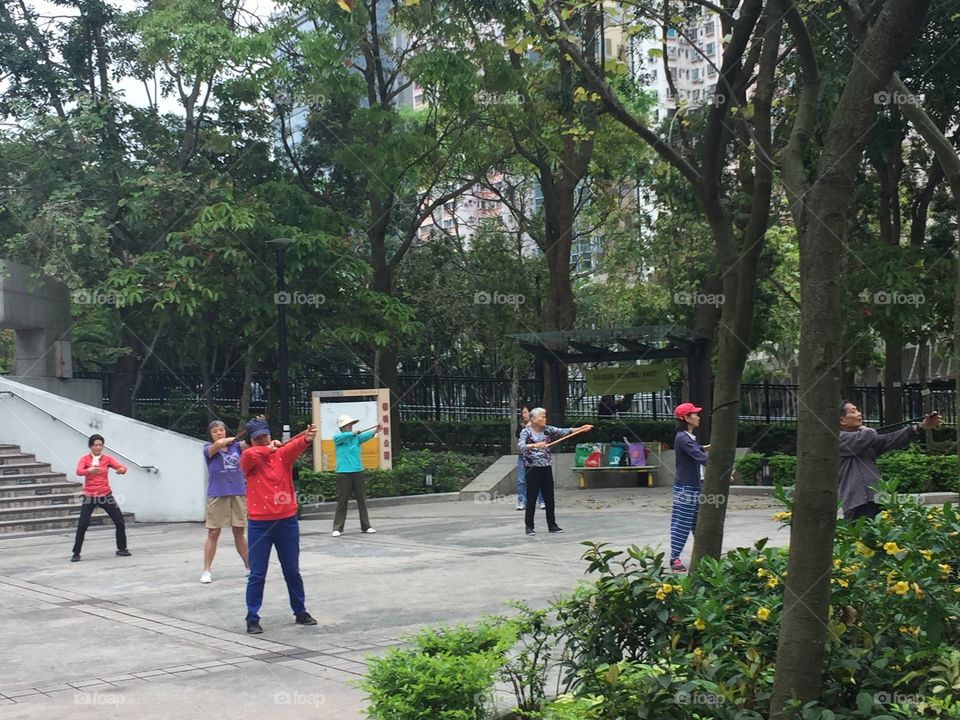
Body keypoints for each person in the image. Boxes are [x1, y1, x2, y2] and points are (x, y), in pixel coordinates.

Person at [240, 418, 318, 634]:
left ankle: (300, 611)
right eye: (257, 438)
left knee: (292, 570)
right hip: (259, 524)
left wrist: (307, 438)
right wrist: (267, 448)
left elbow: (297, 445)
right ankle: (252, 617)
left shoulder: (282, 454)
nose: (263, 439)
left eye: (265, 435)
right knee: (257, 573)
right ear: (251, 441)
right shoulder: (250, 458)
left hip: (286, 522)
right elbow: (249, 455)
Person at [839, 401, 942, 520]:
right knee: (860, 536)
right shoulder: (838, 438)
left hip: (876, 497)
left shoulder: (865, 438)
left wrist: (921, 426)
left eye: (858, 410)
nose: (860, 414)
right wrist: (866, 429)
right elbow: (865, 437)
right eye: (853, 411)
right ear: (842, 420)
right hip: (856, 500)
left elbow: (890, 439)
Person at [517, 408, 593, 535]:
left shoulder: (547, 429)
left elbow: (565, 431)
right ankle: (529, 526)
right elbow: (521, 446)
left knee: (549, 497)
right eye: (543, 417)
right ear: (534, 419)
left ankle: (552, 525)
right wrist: (535, 445)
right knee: (532, 496)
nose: (545, 419)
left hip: (546, 466)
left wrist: (581, 428)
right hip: (531, 468)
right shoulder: (526, 432)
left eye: (545, 416)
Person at [200, 421, 250, 584]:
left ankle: (249, 567)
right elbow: (219, 444)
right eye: (215, 431)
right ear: (210, 434)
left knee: (239, 532)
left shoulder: (236, 447)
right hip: (217, 495)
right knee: (213, 533)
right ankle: (207, 571)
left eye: (221, 430)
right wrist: (228, 439)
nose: (219, 433)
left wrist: (254, 425)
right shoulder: (208, 448)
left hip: (238, 493)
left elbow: (251, 440)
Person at [71, 434, 130, 562]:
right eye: (95, 445)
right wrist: (89, 471)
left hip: (105, 495)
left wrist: (121, 470)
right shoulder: (85, 459)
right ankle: (76, 552)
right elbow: (78, 471)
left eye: (100, 445)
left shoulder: (107, 459)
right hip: (90, 496)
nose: (98, 447)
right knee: (83, 524)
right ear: (90, 446)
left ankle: (122, 548)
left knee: (119, 521)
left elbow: (122, 467)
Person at [669, 402, 708, 573]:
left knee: (697, 523)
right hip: (686, 488)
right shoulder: (683, 438)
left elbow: (696, 450)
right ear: (686, 418)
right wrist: (722, 472)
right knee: (682, 523)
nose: (698, 417)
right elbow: (700, 457)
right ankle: (674, 559)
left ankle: (703, 556)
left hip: (694, 486)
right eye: (694, 414)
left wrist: (706, 447)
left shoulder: (687, 438)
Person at [331, 414, 381, 536]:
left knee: (361, 499)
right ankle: (337, 528)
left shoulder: (356, 438)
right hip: (343, 472)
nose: (350, 426)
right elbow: (338, 437)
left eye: (351, 425)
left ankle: (366, 526)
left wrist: (375, 430)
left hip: (358, 471)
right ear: (342, 427)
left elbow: (365, 436)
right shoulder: (339, 438)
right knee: (342, 501)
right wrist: (352, 434)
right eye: (348, 425)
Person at [515, 405, 543, 511]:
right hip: (523, 456)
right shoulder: (522, 425)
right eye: (523, 413)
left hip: (536, 456)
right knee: (521, 480)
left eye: (526, 412)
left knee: (538, 479)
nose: (524, 415)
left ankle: (542, 501)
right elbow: (517, 434)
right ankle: (522, 502)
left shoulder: (539, 425)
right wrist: (527, 426)